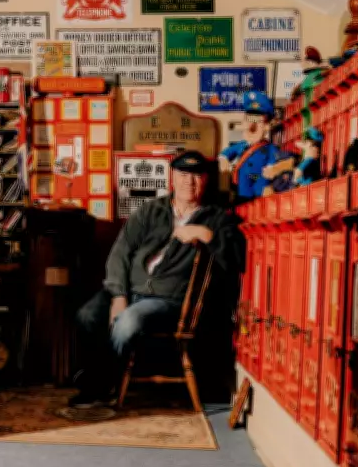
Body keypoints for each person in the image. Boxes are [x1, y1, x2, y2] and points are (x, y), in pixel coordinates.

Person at [70, 150, 245, 408]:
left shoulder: (217, 219)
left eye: (197, 176)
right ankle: (98, 379)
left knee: (128, 322)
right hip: (129, 289)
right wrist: (118, 295)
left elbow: (237, 257)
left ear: (206, 180)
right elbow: (120, 253)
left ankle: (101, 383)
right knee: (87, 315)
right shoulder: (151, 210)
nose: (190, 181)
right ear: (173, 177)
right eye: (183, 175)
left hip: (168, 300)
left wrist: (206, 234)